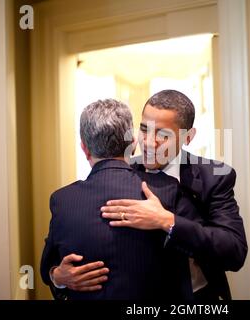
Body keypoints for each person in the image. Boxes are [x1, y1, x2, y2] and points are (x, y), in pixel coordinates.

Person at [51, 90, 248, 300]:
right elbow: (63, 250)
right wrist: (58, 277)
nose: (148, 142)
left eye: (163, 135)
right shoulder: (121, 169)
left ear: (188, 137)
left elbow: (234, 251)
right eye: (145, 130)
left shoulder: (214, 177)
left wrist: (167, 221)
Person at [40, 99, 192, 300]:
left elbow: (47, 269)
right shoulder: (165, 190)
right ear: (133, 143)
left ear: (84, 149)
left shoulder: (62, 200)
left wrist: (57, 276)